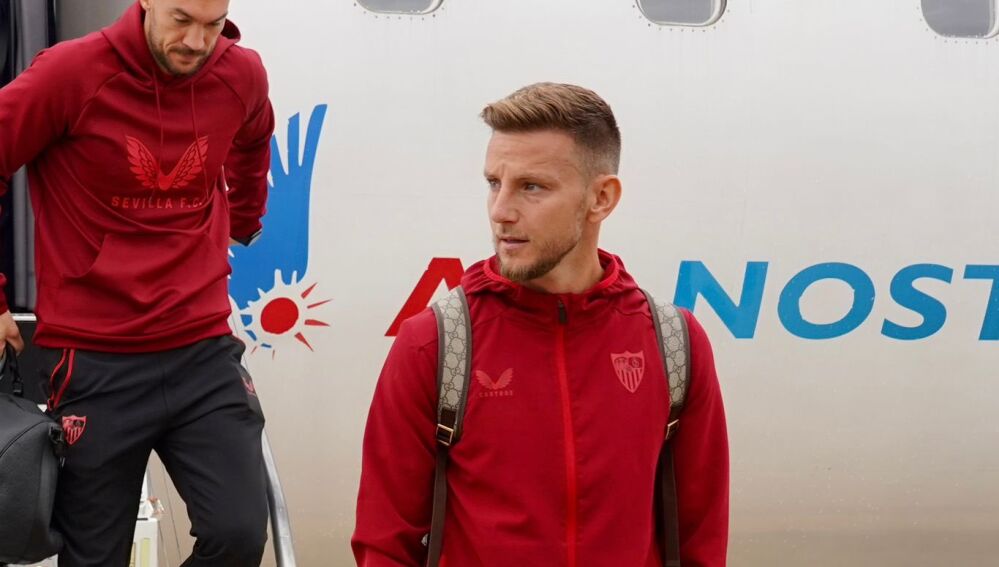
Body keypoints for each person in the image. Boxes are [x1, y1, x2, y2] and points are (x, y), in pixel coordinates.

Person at [353, 82, 730, 566]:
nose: (500, 211)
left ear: (601, 198)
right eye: (494, 183)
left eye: (532, 187)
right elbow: (385, 544)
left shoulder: (674, 344)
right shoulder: (433, 343)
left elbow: (701, 539)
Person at [0, 0, 274, 564]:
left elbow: (253, 139)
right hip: (95, 360)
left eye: (212, 25)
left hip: (202, 351)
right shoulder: (69, 73)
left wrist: (246, 218)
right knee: (95, 557)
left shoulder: (240, 73)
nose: (197, 42)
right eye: (181, 19)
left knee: (240, 532)